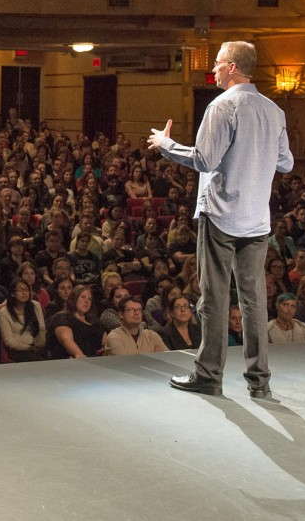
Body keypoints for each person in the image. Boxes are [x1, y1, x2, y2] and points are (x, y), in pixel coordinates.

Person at [149, 40, 293, 398]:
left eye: (216, 63)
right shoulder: (274, 111)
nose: (211, 68)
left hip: (222, 215)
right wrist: (255, 155)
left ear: (232, 67)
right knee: (254, 301)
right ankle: (260, 382)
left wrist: (166, 145)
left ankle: (208, 375)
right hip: (257, 219)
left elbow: (204, 159)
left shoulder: (222, 106)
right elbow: (286, 163)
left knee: (213, 298)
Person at [47, 284, 103, 359]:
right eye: (83, 297)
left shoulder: (94, 322)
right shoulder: (62, 318)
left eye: (89, 299)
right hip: (69, 362)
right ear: (74, 298)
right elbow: (66, 339)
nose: (87, 301)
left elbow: (104, 342)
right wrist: (79, 355)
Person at [0, 278, 46, 362]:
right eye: (20, 290)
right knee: (37, 361)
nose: (24, 293)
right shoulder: (4, 312)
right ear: (12, 294)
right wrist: (28, 348)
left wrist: (40, 344)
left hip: (37, 345)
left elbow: (41, 328)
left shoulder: (36, 305)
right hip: (18, 350)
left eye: (26, 290)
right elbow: (8, 340)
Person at [103, 294, 169, 355]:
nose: (136, 313)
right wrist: (154, 357)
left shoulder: (151, 336)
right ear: (121, 314)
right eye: (131, 310)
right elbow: (124, 364)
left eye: (139, 310)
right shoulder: (114, 337)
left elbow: (167, 357)